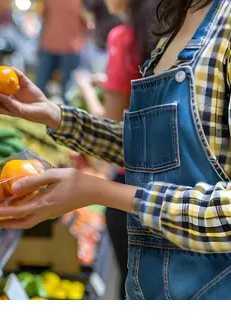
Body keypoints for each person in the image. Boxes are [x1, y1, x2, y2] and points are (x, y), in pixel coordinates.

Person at [0, 0, 231, 300]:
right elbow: (158, 153)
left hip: (220, 290)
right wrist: (56, 117)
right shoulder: (179, 19)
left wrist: (101, 191)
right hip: (155, 285)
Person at [75, 0, 160, 300]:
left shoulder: (125, 38)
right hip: (175, 189)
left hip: (131, 191)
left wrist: (86, 89)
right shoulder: (169, 35)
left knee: (133, 289)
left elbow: (113, 127)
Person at [36, 0, 87, 103]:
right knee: (41, 83)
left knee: (67, 88)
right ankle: (35, 107)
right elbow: (44, 19)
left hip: (68, 47)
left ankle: (66, 114)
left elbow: (86, 23)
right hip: (51, 45)